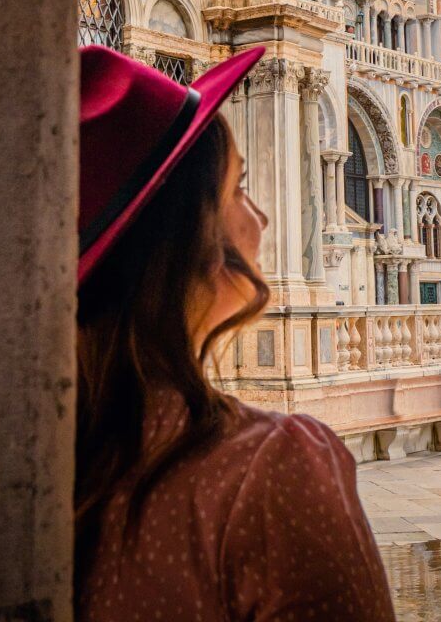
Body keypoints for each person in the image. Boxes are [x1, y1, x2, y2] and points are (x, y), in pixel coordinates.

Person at [75, 45, 396, 622]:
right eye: (238, 189)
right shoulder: (271, 473)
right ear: (190, 240)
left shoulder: (35, 470)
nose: (261, 219)